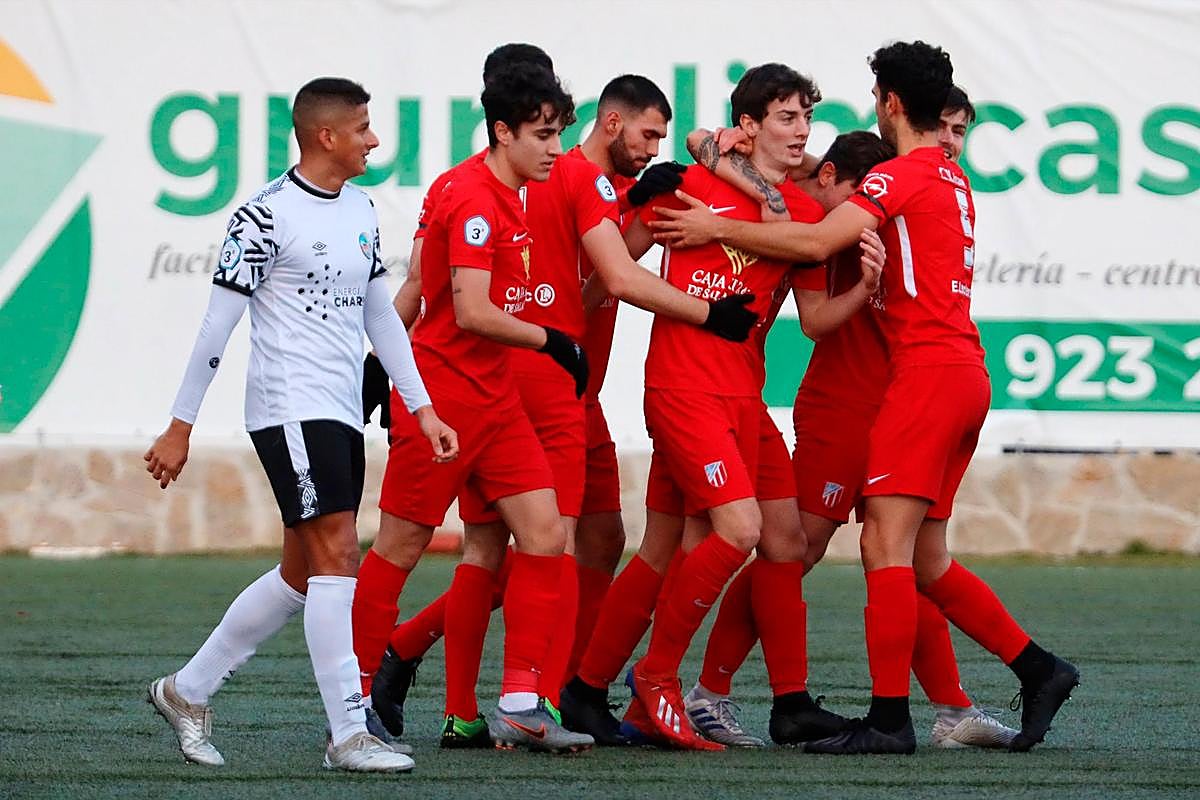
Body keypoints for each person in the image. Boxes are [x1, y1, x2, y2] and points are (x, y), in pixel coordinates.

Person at [650, 41, 1079, 755]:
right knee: (887, 554)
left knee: (882, 549)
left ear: (888, 103)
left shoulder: (895, 181)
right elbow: (807, 246)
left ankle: (904, 716)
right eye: (785, 118)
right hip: (915, 388)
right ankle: (1012, 678)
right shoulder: (933, 179)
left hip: (919, 385)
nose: (800, 129)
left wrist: (718, 224)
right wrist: (722, 158)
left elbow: (817, 240)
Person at [370, 73, 758, 748]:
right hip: (544, 386)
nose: (655, 146)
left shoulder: (514, 185)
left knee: (561, 542)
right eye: (646, 134)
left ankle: (483, 691)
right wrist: (710, 312)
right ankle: (533, 698)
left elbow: (552, 279)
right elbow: (605, 282)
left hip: (554, 386)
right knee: (544, 541)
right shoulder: (569, 183)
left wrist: (384, 360)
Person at [143, 77, 457, 773]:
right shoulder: (263, 215)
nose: (375, 139)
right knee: (340, 552)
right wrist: (179, 426)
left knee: (301, 569)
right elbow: (214, 327)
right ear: (326, 137)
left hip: (341, 411)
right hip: (288, 407)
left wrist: (422, 405)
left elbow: (383, 316)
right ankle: (349, 733)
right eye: (365, 127)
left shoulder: (361, 209)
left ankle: (186, 690)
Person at [619, 63, 866, 751]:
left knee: (783, 544)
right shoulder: (693, 177)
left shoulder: (807, 212)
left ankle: (788, 704)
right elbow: (617, 262)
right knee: (727, 533)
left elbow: (814, 318)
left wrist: (865, 285)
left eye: (806, 120)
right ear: (748, 124)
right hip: (684, 386)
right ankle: (654, 678)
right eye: (786, 118)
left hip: (744, 397)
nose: (801, 132)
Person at [349, 63, 595, 754]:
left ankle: (520, 702)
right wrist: (553, 340)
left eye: (558, 135)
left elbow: (422, 281)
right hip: (446, 402)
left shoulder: (504, 189)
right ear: (502, 130)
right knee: (400, 546)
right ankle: (353, 701)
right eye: (543, 136)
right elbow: (470, 308)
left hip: (496, 399)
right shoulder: (476, 201)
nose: (554, 149)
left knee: (545, 534)